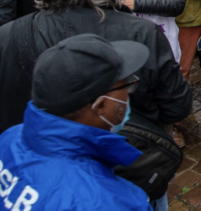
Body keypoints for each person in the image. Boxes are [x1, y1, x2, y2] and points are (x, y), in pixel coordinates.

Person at [0, 0, 191, 141]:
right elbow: (176, 106)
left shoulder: (8, 34)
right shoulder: (142, 33)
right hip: (124, 160)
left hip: (33, 158)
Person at [0, 34, 152, 210]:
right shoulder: (112, 202)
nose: (128, 93)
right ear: (100, 104)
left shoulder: (10, 137)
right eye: (126, 85)